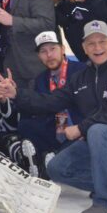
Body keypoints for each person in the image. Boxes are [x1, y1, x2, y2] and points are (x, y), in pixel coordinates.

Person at [0, 21, 107, 213]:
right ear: (84, 48)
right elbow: (50, 101)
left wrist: (82, 128)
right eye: (91, 43)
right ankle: (105, 182)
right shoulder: (80, 79)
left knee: (98, 130)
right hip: (97, 142)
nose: (97, 47)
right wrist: (17, 94)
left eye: (102, 41)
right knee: (57, 168)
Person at [16, 30, 87, 174]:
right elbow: (37, 106)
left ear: (63, 49)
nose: (49, 55)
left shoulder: (82, 70)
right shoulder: (40, 79)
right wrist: (12, 95)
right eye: (43, 51)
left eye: (53, 49)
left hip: (79, 128)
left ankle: (51, 158)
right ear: (39, 56)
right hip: (56, 128)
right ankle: (40, 159)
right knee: (26, 125)